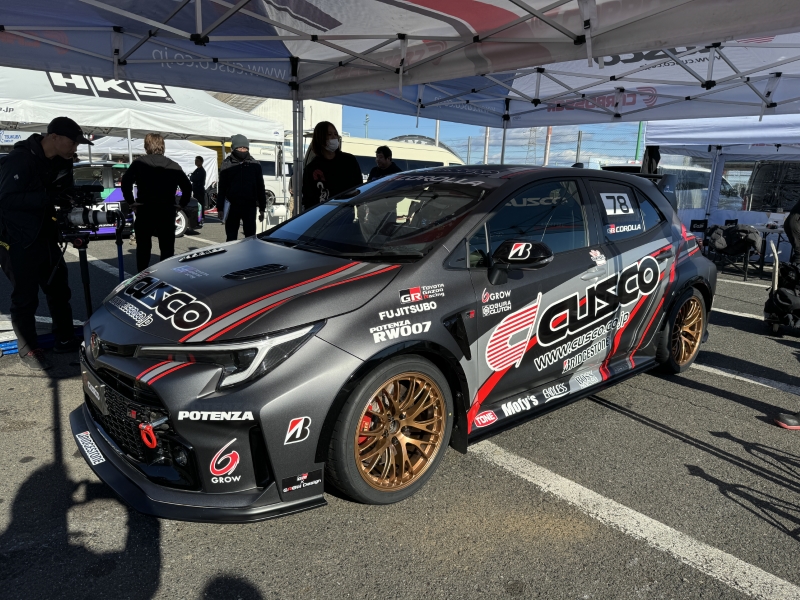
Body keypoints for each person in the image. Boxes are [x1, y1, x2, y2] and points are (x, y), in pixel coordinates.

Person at [0, 117, 89, 370]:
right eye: (72, 142)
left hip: (47, 235)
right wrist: (48, 197)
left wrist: (68, 198)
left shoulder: (61, 162)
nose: (75, 148)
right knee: (25, 297)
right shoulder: (19, 159)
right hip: (16, 239)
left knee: (59, 290)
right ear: (54, 137)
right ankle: (28, 349)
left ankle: (64, 338)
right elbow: (6, 199)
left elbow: (60, 193)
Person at [121, 133, 192, 273]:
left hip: (145, 209)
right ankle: (166, 276)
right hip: (166, 210)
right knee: (167, 248)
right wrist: (181, 204)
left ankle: (142, 277)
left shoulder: (139, 163)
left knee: (143, 247)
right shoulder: (173, 165)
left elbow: (125, 182)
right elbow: (187, 187)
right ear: (162, 146)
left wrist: (131, 202)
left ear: (146, 146)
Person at [301, 121, 363, 212]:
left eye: (335, 134)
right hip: (322, 215)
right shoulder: (311, 168)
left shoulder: (349, 161)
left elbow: (359, 188)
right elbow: (308, 199)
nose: (334, 137)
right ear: (320, 138)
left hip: (346, 214)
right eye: (329, 134)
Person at [218, 134, 266, 241]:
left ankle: (249, 252)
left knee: (250, 237)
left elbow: (260, 187)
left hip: (249, 205)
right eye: (240, 148)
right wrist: (220, 208)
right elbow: (222, 188)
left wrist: (262, 208)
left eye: (245, 148)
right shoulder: (227, 164)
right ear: (233, 148)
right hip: (232, 206)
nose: (243, 150)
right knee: (231, 237)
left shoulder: (255, 164)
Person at [186, 155, 207, 234]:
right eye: (195, 161)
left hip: (199, 190)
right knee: (197, 205)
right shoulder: (197, 170)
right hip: (196, 190)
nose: (196, 162)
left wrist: (192, 177)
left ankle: (201, 219)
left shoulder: (201, 171)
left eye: (197, 161)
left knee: (200, 205)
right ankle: (197, 220)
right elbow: (191, 177)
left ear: (201, 162)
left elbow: (193, 178)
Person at [785, 199, 800, 265]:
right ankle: (794, 268)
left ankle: (792, 268)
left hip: (793, 223)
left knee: (798, 250)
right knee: (799, 251)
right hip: (794, 224)